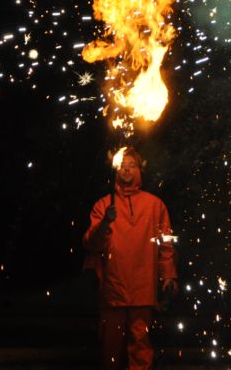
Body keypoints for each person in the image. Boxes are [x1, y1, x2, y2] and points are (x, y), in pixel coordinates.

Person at [83, 147, 178, 370]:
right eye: (123, 164)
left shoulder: (155, 205)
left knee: (141, 351)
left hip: (143, 290)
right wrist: (106, 223)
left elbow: (166, 243)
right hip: (113, 290)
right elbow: (91, 244)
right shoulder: (103, 205)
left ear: (139, 170)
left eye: (132, 165)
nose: (127, 168)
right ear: (116, 169)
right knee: (110, 351)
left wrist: (169, 275)